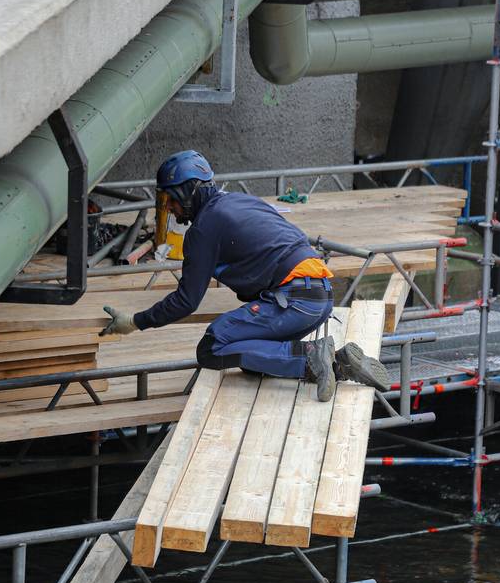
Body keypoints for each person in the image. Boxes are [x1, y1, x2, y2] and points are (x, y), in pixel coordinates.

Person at [100, 150, 389, 402]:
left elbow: (186, 301)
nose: (169, 208)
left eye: (170, 199)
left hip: (294, 300)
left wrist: (135, 321)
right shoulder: (240, 202)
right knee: (251, 357)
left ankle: (311, 354)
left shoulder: (203, 229)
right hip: (320, 296)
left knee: (213, 348)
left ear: (188, 191)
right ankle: (339, 365)